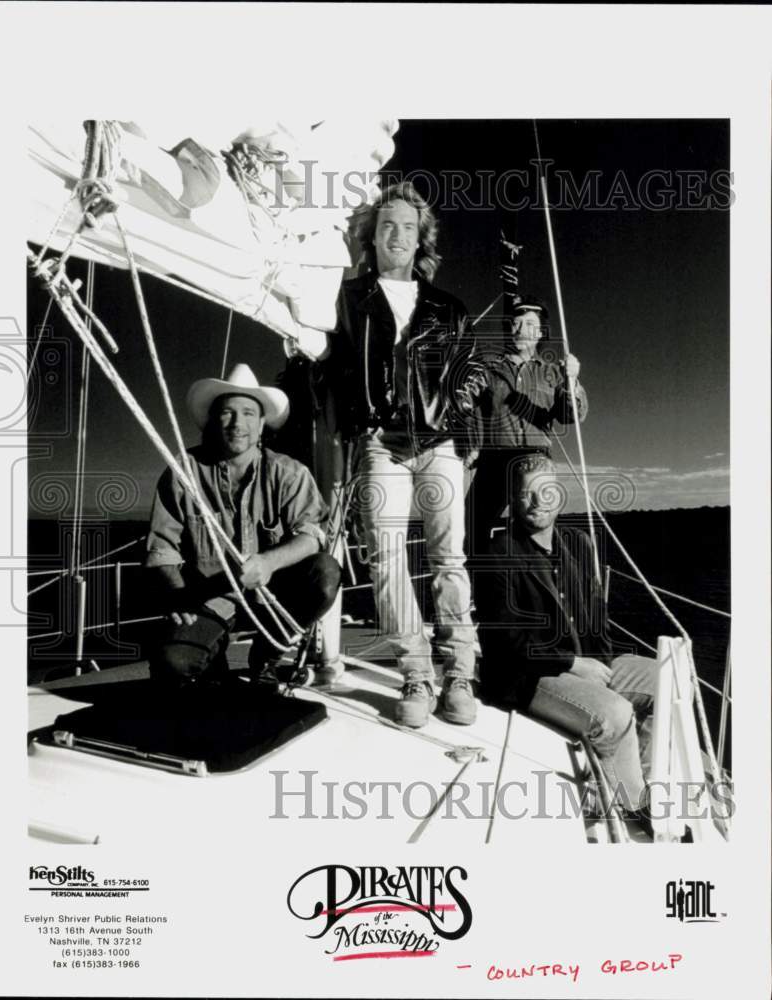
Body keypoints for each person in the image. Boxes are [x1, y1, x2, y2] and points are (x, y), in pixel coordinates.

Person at [326, 181, 478, 728]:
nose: (397, 234)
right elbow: (332, 365)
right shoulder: (346, 299)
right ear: (372, 236)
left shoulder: (448, 307)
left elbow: (468, 375)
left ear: (421, 239)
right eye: (386, 225)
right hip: (379, 442)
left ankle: (459, 672)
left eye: (408, 227)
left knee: (448, 559)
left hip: (439, 444)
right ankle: (416, 673)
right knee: (386, 557)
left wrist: (461, 430)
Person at [473, 453, 657, 816]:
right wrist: (574, 664)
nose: (537, 502)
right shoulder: (496, 554)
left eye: (545, 491)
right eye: (526, 494)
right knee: (614, 714)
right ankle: (635, 805)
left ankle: (649, 778)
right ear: (512, 501)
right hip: (527, 676)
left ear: (559, 495)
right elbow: (504, 641)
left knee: (669, 679)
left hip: (584, 663)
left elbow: (596, 622)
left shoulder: (578, 545)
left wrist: (600, 666)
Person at [145, 363, 342, 690]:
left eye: (249, 413)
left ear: (262, 423)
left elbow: (312, 536)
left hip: (274, 596)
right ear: (213, 420)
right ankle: (213, 658)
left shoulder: (288, 473)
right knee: (174, 665)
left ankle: (266, 655)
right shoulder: (185, 471)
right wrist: (178, 597)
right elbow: (162, 550)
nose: (238, 424)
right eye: (227, 413)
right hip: (210, 598)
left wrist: (268, 562)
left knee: (325, 574)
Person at [463, 294, 588, 555]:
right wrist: (471, 445)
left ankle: (537, 589)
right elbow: (466, 408)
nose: (521, 330)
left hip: (535, 459)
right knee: (471, 527)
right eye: (515, 323)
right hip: (493, 459)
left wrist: (572, 382)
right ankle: (483, 588)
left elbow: (571, 415)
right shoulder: (488, 369)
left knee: (534, 529)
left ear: (541, 332)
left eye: (530, 324)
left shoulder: (554, 372)